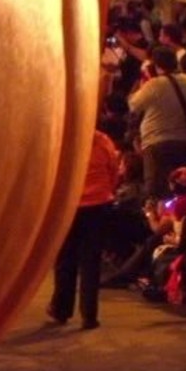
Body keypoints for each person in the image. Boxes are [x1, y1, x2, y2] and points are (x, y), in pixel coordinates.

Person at [48, 126, 121, 331]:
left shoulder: (63, 141)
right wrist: (108, 190)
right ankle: (89, 315)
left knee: (65, 258)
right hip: (98, 204)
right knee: (91, 261)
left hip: (69, 206)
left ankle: (61, 309)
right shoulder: (102, 141)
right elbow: (113, 169)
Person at [128, 45, 186, 199]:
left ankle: (161, 220)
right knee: (184, 187)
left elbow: (133, 104)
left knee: (158, 190)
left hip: (157, 142)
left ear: (155, 65)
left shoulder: (154, 84)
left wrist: (145, 80)